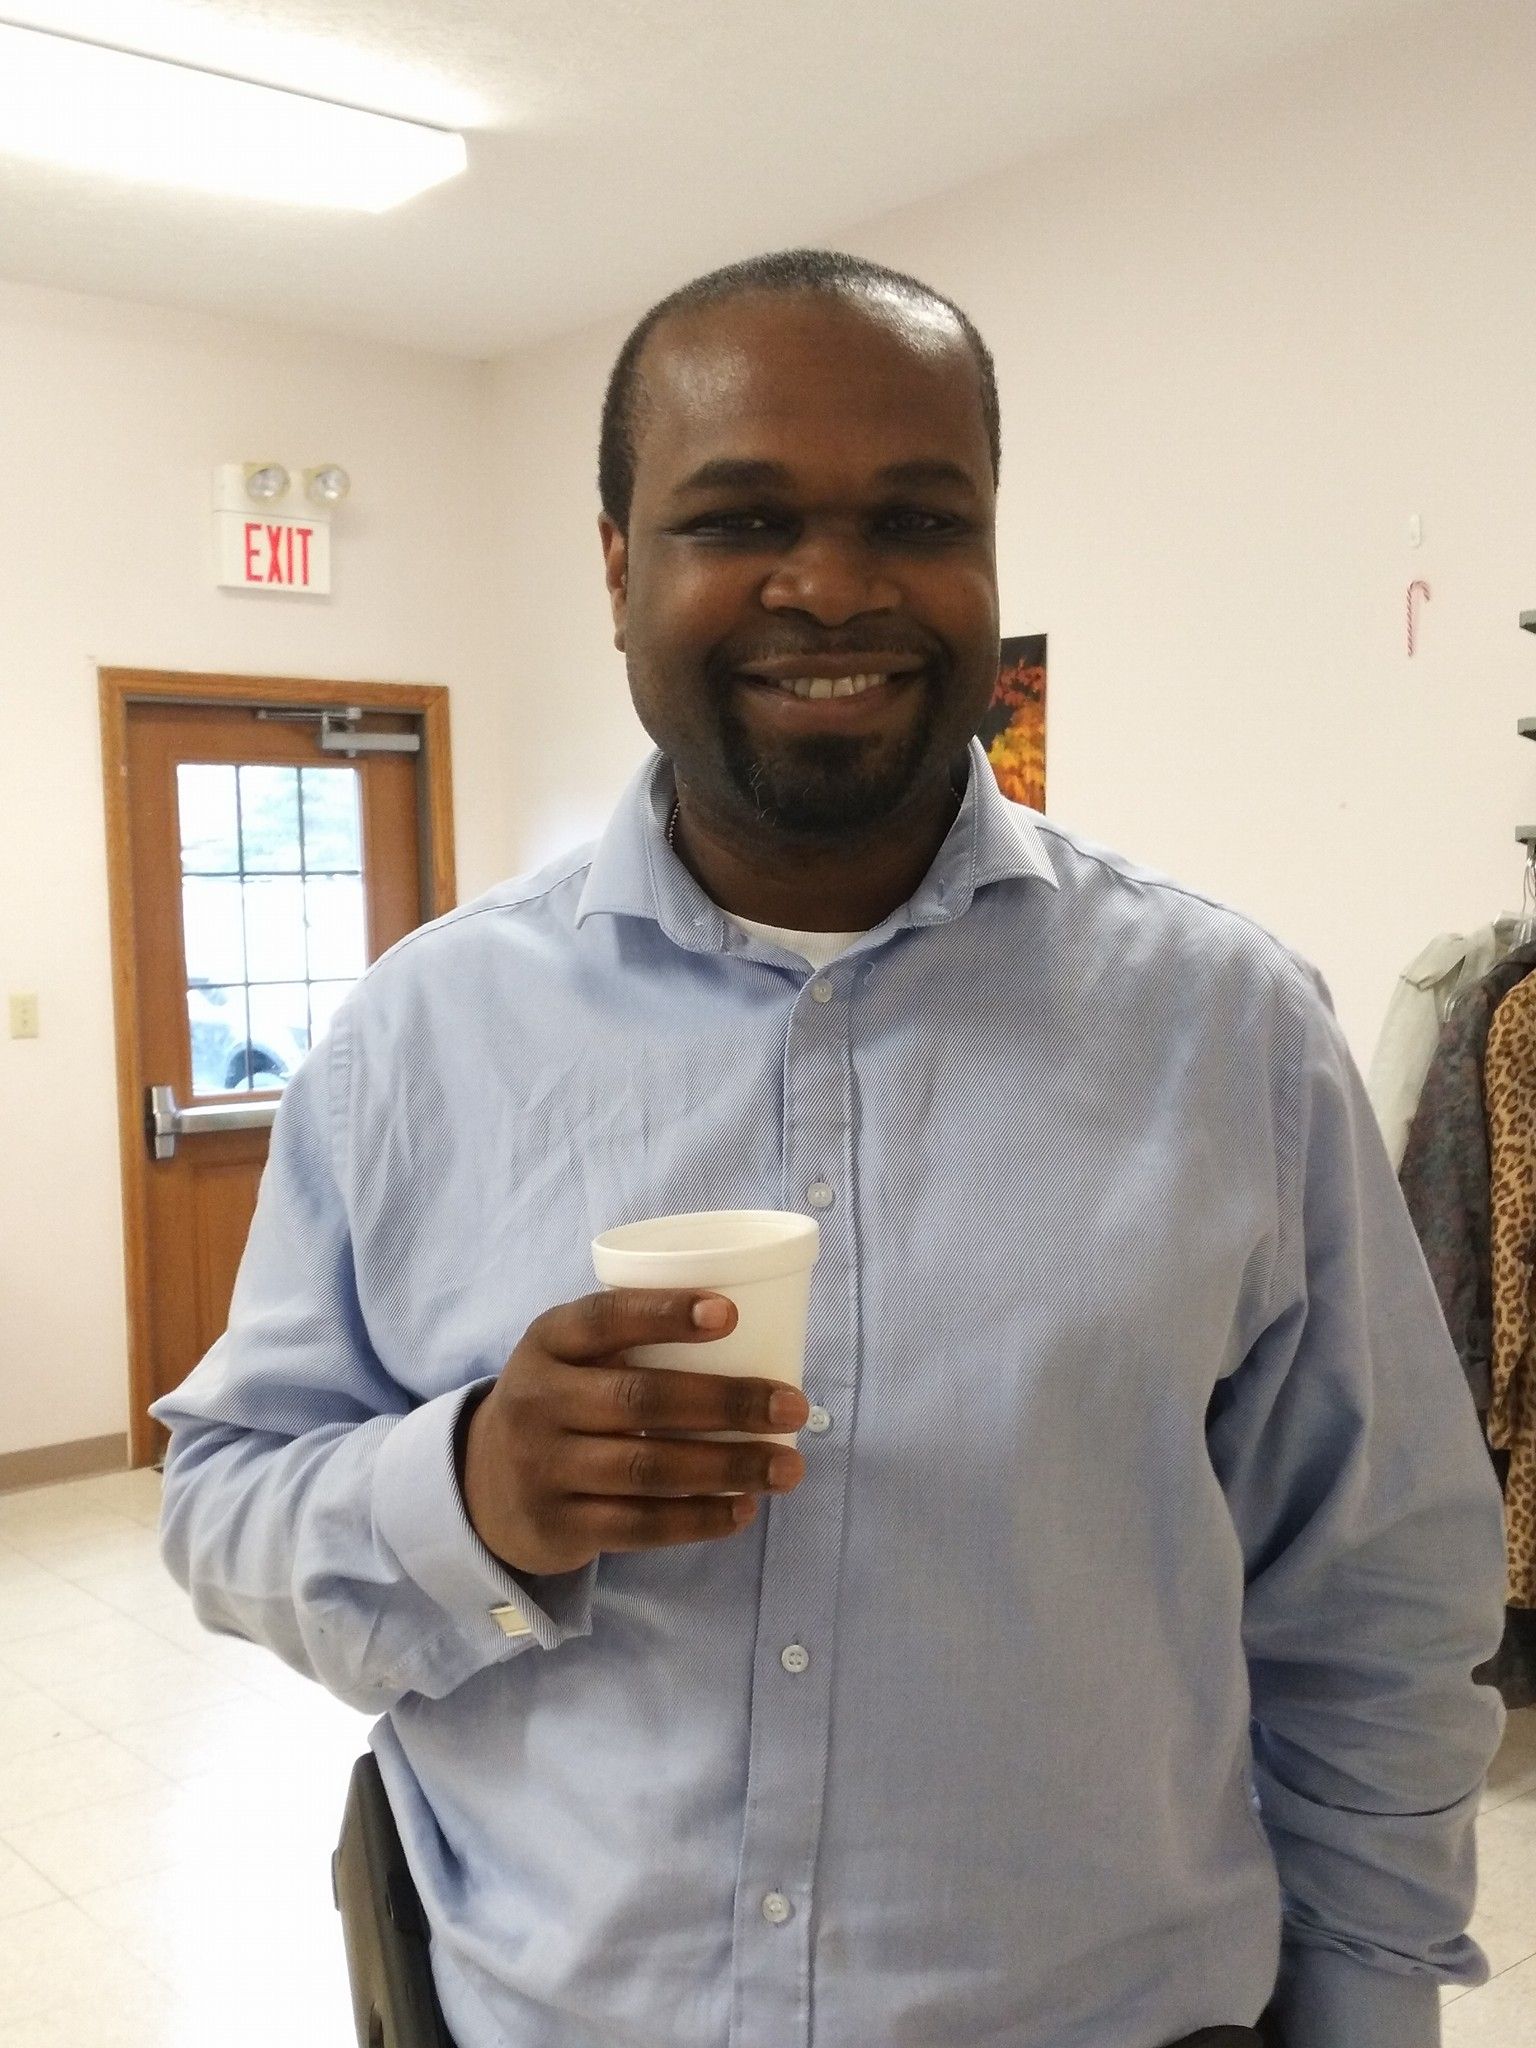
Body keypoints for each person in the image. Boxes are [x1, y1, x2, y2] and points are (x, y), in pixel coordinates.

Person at [153, 249, 1507, 2048]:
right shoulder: (421, 1039)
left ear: (994, 557)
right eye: (742, 518)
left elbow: (1378, 1599)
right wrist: (468, 1489)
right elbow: (224, 1500)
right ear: (621, 569)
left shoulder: (1230, 1029)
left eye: (916, 516)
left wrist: (1369, 2008)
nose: (834, 585)